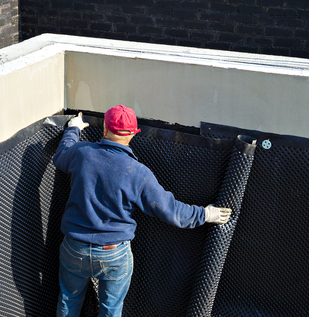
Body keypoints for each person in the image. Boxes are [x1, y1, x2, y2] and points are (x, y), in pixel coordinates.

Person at [53, 105, 232, 317]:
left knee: (69, 300)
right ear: (131, 135)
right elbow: (171, 211)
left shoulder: (82, 153)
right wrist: (205, 214)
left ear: (104, 130)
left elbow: (61, 154)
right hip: (113, 254)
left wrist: (73, 129)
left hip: (75, 249)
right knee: (111, 310)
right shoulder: (138, 173)